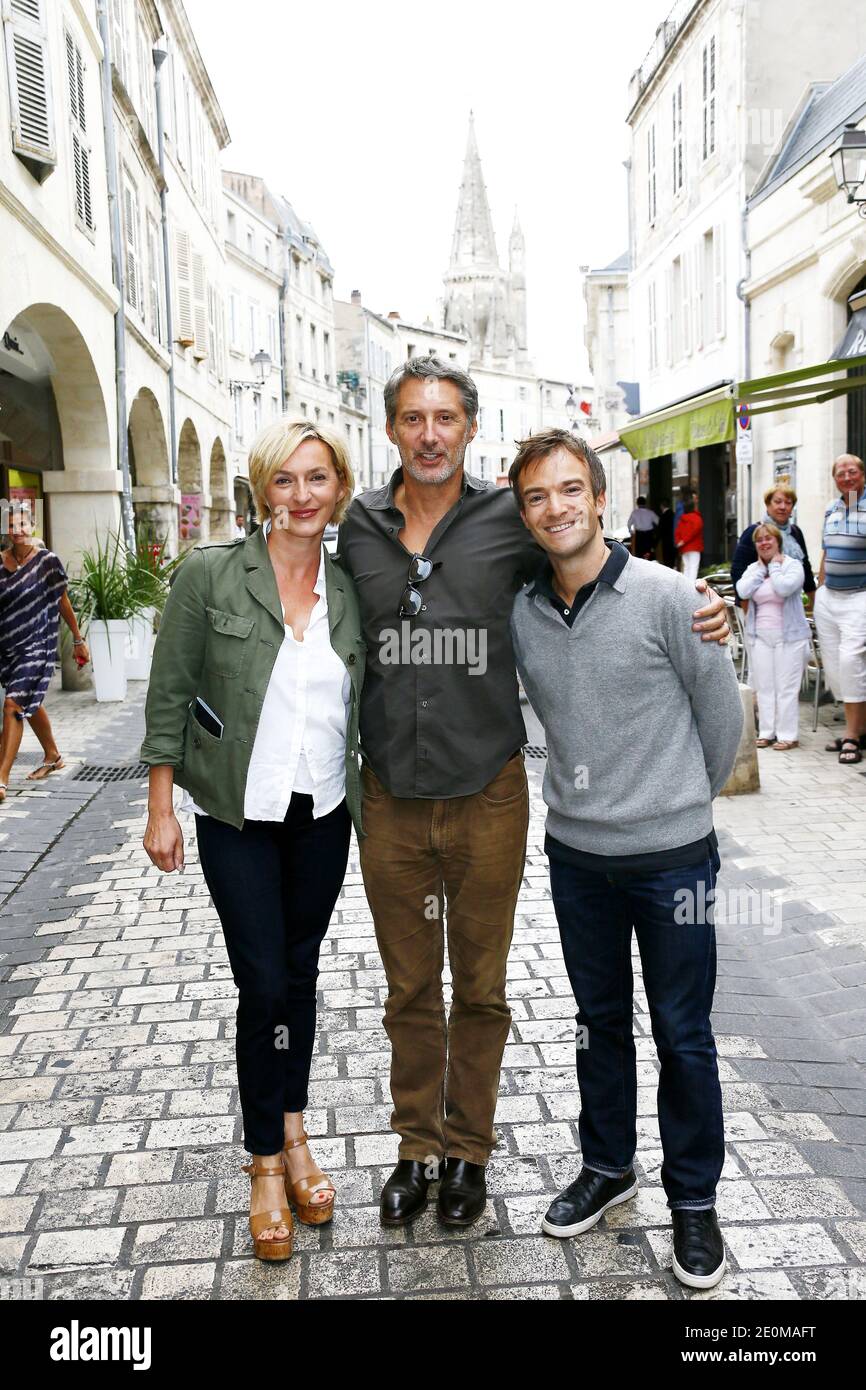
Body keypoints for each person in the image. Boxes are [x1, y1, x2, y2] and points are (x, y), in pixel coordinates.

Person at [336, 358, 731, 1230]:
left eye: (446, 417)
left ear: (469, 428)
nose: (430, 433)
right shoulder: (356, 526)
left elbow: (602, 573)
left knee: (486, 990)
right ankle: (419, 1146)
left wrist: (703, 609)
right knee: (413, 989)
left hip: (492, 798)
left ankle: (472, 1156)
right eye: (413, 418)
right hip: (394, 796)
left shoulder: (510, 525)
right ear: (393, 429)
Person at [509, 430, 742, 1291]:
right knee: (596, 1024)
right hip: (576, 860)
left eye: (572, 489)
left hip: (674, 860)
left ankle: (694, 1204)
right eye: (538, 496)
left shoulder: (671, 598)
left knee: (684, 1035)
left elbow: (722, 724)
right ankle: (609, 1168)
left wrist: (676, 804)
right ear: (526, 514)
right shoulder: (524, 612)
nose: (557, 507)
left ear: (600, 497)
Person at [140, 419, 366, 1261]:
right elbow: (169, 696)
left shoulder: (349, 593)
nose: (302, 496)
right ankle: (265, 1164)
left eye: (317, 479)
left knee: (298, 976)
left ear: (337, 487)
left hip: (323, 813)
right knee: (263, 980)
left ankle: (296, 1132)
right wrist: (162, 807)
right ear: (262, 491)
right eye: (285, 481)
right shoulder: (208, 577)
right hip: (236, 814)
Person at [0, 509, 89, 802]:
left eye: (23, 523)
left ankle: (2, 777)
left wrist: (78, 639)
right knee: (28, 701)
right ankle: (52, 755)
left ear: (32, 526)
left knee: (13, 703)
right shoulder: (1, 562)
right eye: (12, 525)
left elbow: (62, 601)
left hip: (39, 643)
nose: (18, 529)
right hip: (9, 647)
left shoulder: (46, 561)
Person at [735, 522, 810, 750]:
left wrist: (775, 568)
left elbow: (785, 588)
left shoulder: (792, 565)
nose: (764, 543)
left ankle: (788, 735)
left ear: (778, 541)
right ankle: (767, 732)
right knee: (765, 686)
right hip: (760, 636)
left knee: (786, 686)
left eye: (769, 539)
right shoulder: (753, 569)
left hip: (790, 636)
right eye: (760, 540)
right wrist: (761, 570)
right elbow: (742, 590)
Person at [813, 454, 866, 765]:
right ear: (834, 478)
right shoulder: (831, 508)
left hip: (858, 597)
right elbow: (826, 551)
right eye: (841, 473)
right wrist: (820, 587)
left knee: (850, 662)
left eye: (853, 471)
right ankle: (858, 728)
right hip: (829, 597)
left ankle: (851, 736)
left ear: (862, 474)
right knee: (834, 667)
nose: (847, 477)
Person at [730, 485, 816, 605]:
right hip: (760, 604)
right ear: (768, 504)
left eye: (788, 503)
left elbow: (806, 569)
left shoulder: (796, 532)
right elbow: (737, 571)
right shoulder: (754, 531)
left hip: (791, 603)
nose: (783, 507)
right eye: (777, 502)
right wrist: (744, 606)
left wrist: (814, 602)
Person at [675, 497, 704, 580]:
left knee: (687, 568)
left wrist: (679, 542)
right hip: (694, 547)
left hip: (684, 548)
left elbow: (677, 532)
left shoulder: (682, 519)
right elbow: (694, 532)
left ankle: (686, 587)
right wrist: (684, 541)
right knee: (693, 568)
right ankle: (691, 589)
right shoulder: (697, 518)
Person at [626, 496, 658, 560]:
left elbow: (629, 524)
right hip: (649, 535)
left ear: (637, 503)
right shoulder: (650, 512)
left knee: (639, 553)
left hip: (639, 535)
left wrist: (631, 532)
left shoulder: (634, 513)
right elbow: (658, 522)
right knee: (648, 552)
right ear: (645, 503)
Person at [657, 498, 676, 567]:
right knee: (672, 556)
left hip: (665, 539)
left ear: (662, 506)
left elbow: (660, 529)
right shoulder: (673, 514)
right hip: (673, 538)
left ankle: (669, 568)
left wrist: (656, 541)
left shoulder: (663, 516)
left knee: (666, 556)